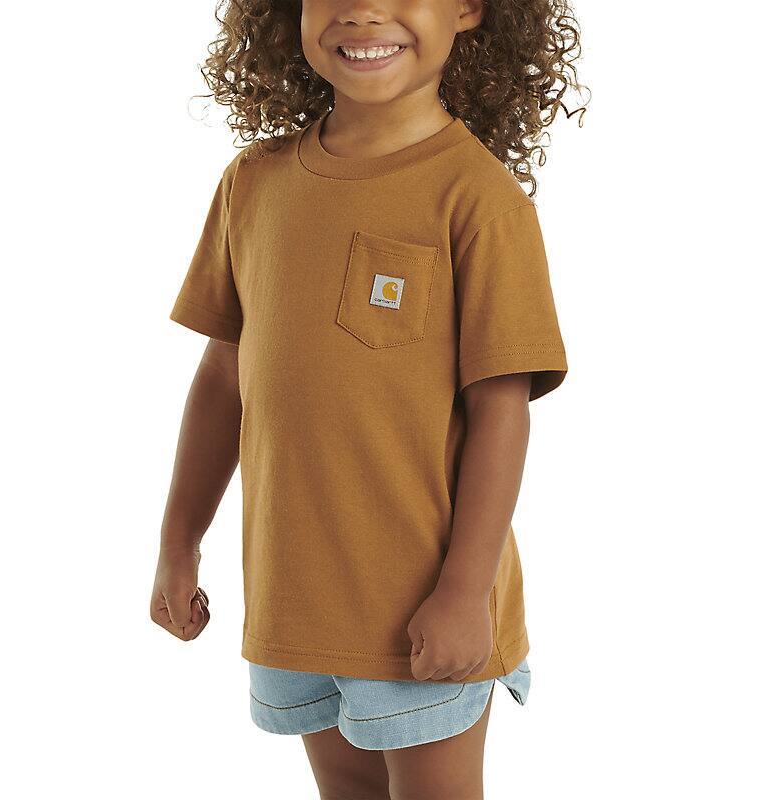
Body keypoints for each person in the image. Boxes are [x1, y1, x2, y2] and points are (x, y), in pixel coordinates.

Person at [150, 1, 585, 797]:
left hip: (424, 609)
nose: (362, 10)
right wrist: (180, 542)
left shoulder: (478, 199)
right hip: (293, 602)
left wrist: (463, 593)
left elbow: (502, 412)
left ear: (469, 8)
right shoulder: (254, 183)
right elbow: (223, 378)